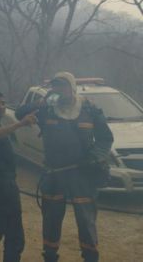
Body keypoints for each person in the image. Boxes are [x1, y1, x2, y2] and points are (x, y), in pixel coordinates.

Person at [15, 72, 113, 262]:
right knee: (51, 219)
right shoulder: (47, 109)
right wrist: (39, 103)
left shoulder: (89, 109)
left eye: (63, 86)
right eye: (56, 86)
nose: (59, 90)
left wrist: (94, 157)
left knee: (86, 221)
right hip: (54, 174)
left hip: (82, 175)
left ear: (72, 87)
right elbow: (20, 113)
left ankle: (90, 257)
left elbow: (105, 138)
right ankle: (50, 256)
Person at [0, 91, 37, 262]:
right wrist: (21, 124)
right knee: (7, 234)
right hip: (1, 186)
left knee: (3, 232)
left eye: (3, 103)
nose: (0, 106)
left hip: (5, 185)